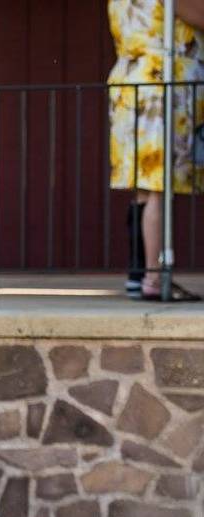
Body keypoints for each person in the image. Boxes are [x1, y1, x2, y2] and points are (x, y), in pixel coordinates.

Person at [108, 0, 204, 301]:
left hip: (130, 82)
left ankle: (138, 275)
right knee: (159, 186)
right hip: (162, 84)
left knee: (144, 187)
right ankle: (154, 276)